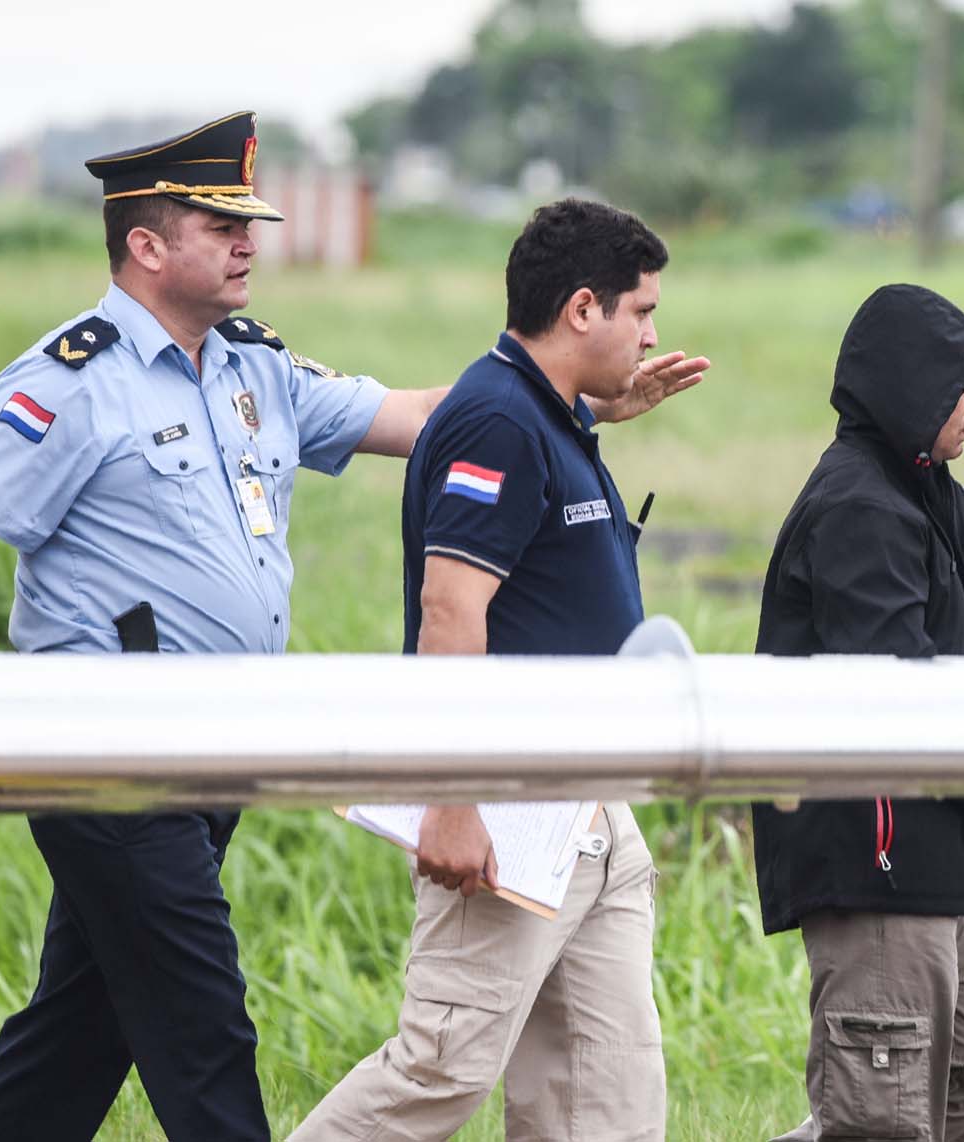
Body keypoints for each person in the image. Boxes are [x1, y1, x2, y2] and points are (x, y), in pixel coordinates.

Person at [0, 115, 703, 1141]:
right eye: (220, 225)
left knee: (80, 1028)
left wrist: (577, 392)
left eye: (250, 224)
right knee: (206, 1029)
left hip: (216, 753)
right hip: (108, 750)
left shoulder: (253, 370)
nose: (249, 243)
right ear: (146, 245)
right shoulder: (69, 381)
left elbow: (429, 415)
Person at [290, 198, 698, 1142]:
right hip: (508, 810)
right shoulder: (499, 422)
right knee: (440, 1070)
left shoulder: (548, 413)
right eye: (642, 311)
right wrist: (455, 799)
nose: (652, 333)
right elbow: (452, 611)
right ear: (584, 308)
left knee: (606, 1091)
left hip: (590, 810)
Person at [754, 283, 964, 1142]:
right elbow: (893, 679)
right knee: (881, 1113)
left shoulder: (926, 488)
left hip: (929, 848)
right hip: (872, 846)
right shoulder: (861, 505)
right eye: (962, 381)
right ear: (911, 383)